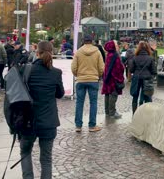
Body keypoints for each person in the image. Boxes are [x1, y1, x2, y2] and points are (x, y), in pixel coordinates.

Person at [20, 41, 64, 179]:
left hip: (28, 121)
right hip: (48, 122)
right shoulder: (56, 73)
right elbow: (60, 94)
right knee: (46, 159)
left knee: (25, 153)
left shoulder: (26, 70)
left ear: (36, 52)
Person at [71, 35, 104, 132]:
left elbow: (73, 67)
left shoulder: (78, 52)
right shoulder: (97, 52)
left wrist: (78, 75)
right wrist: (97, 75)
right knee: (93, 103)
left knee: (79, 103)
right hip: (93, 79)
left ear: (83, 41)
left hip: (81, 79)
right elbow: (101, 67)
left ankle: (78, 126)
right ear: (92, 41)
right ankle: (92, 126)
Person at [129, 41, 156, 113]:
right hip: (147, 78)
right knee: (148, 96)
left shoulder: (135, 58)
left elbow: (131, 70)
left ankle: (134, 113)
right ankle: (148, 113)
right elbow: (154, 71)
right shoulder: (150, 58)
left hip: (137, 77)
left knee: (135, 96)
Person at [102, 40, 125, 119]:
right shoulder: (115, 55)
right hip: (113, 79)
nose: (118, 46)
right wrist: (120, 79)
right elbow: (119, 68)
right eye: (116, 45)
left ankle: (107, 111)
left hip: (107, 78)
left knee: (107, 94)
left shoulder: (108, 54)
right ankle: (112, 112)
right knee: (113, 95)